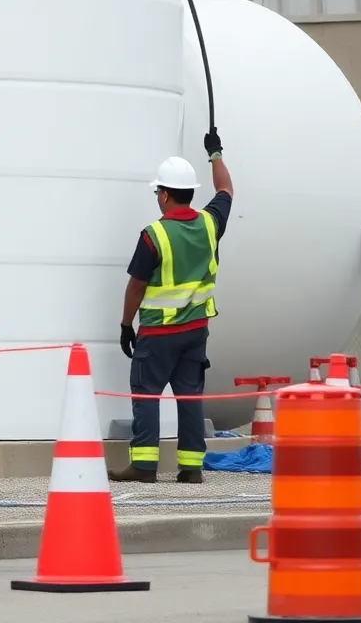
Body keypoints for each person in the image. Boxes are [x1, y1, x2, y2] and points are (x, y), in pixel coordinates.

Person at [108, 129, 233, 484]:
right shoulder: (210, 224)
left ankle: (144, 466)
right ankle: (191, 468)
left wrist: (124, 325)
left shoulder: (154, 235)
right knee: (190, 396)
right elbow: (226, 191)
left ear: (163, 194)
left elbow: (136, 286)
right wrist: (216, 154)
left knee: (146, 394)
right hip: (196, 332)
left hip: (159, 333)